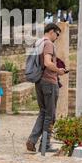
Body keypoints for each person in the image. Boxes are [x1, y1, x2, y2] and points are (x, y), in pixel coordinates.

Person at [26, 23, 68, 153]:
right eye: (57, 34)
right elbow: (47, 62)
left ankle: (33, 140)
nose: (57, 37)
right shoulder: (48, 44)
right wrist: (59, 71)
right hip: (49, 82)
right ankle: (45, 145)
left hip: (39, 81)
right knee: (50, 115)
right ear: (51, 31)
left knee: (43, 112)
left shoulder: (38, 42)